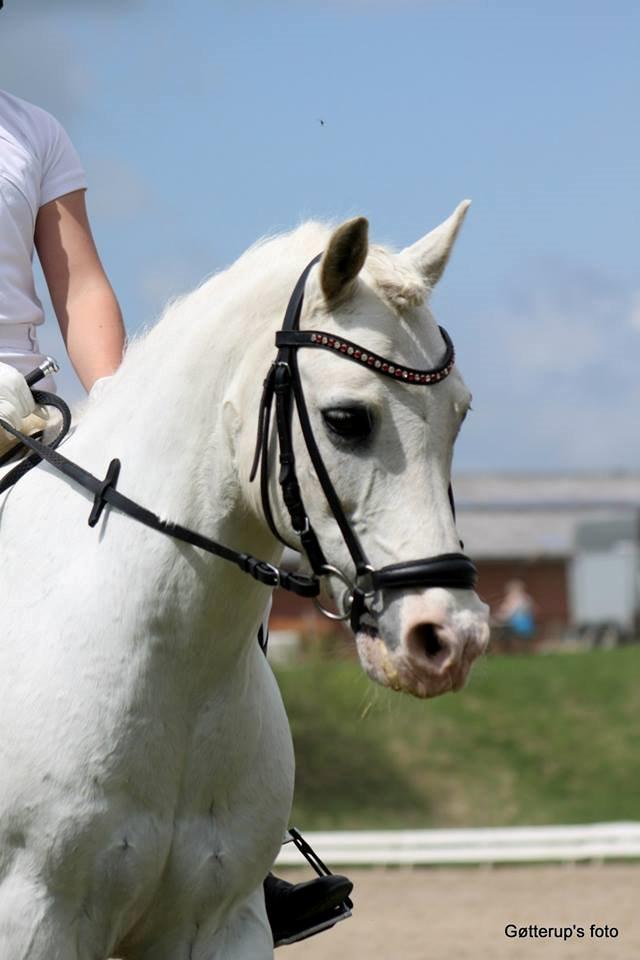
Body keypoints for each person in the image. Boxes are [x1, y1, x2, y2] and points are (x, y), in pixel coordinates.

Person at [0, 83, 351, 944]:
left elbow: (80, 290)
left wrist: (123, 407)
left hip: (28, 415)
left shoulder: (33, 130)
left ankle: (230, 848)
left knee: (197, 565)